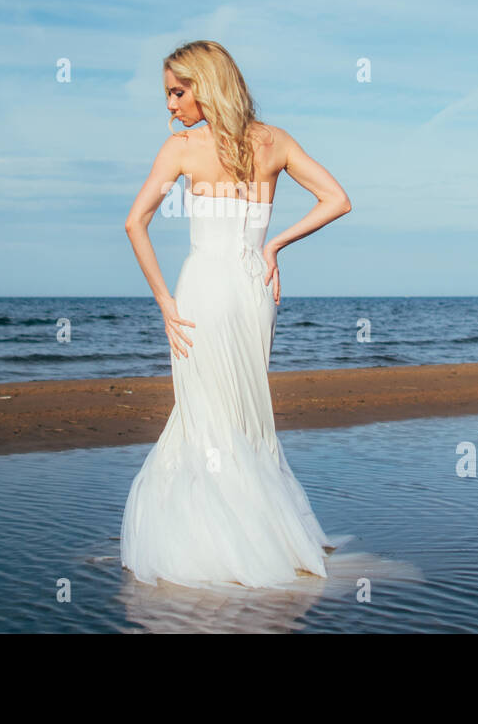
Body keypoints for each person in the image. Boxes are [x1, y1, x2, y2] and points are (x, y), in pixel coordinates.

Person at [120, 39, 352, 588]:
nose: (171, 105)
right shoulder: (275, 141)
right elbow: (337, 199)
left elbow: (135, 223)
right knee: (245, 420)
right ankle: (261, 538)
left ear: (206, 83)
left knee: (205, 417)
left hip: (202, 289)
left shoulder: (180, 148)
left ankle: (219, 548)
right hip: (253, 290)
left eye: (177, 92)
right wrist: (273, 247)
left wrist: (163, 301)